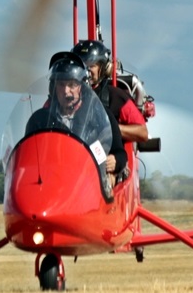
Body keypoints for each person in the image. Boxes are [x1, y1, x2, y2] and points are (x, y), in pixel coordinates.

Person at [25, 52, 127, 195]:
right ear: (53, 88)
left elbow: (121, 154)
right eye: (61, 85)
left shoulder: (101, 116)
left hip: (89, 189)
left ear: (82, 87)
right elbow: (28, 160)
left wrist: (115, 161)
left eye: (72, 85)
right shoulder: (39, 120)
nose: (67, 92)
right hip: (51, 188)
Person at [71, 40, 149, 148]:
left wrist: (111, 128)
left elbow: (142, 133)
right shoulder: (63, 96)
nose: (86, 71)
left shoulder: (116, 96)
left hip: (109, 160)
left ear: (104, 69)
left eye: (91, 66)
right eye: (82, 66)